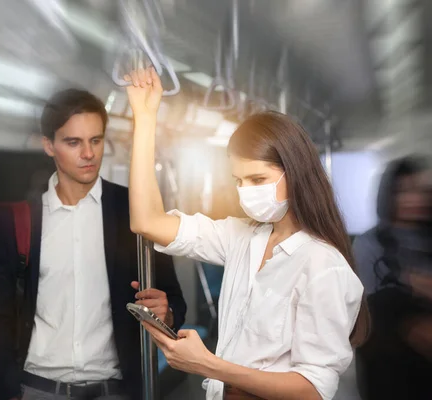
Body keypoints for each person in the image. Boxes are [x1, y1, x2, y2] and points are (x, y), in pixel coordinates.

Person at [124, 67, 370, 400]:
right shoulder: (241, 238)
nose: (246, 192)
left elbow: (312, 390)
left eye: (257, 180)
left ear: (295, 173)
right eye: (238, 181)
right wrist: (145, 116)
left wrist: (208, 365)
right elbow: (148, 220)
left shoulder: (324, 266)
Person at [0, 88, 187, 400]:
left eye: (96, 140)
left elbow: (174, 301)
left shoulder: (134, 212)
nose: (88, 153)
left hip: (114, 391)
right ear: (49, 146)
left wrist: (167, 313)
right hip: (37, 389)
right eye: (73, 142)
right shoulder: (21, 220)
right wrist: (6, 389)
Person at [353, 156, 432, 400]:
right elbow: (365, 310)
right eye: (403, 191)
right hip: (389, 370)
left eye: (420, 191)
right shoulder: (370, 243)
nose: (414, 199)